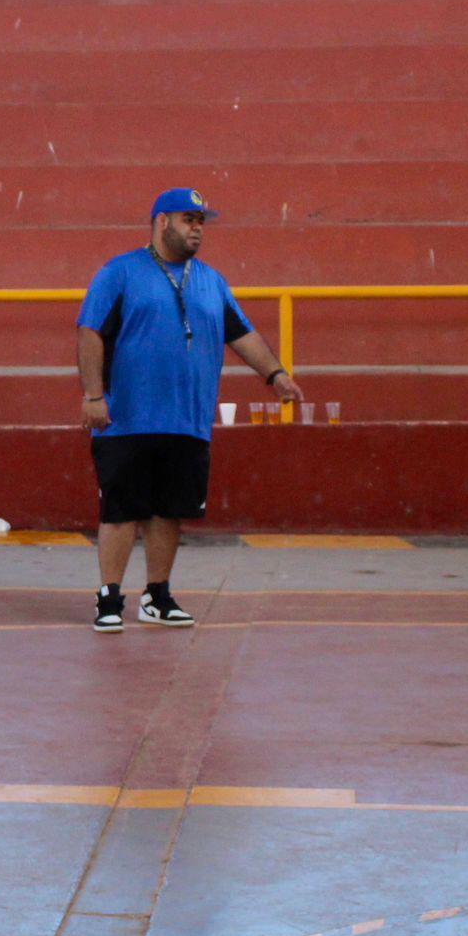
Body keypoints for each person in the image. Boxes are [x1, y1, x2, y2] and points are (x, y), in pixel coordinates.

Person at [77, 188, 302, 631]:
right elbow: (89, 333)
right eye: (188, 219)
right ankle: (109, 598)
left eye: (201, 221)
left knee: (169, 511)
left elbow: (243, 335)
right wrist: (92, 396)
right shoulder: (119, 273)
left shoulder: (212, 281)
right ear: (162, 222)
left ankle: (157, 597)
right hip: (127, 419)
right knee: (122, 510)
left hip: (189, 420)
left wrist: (276, 375)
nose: (197, 228)